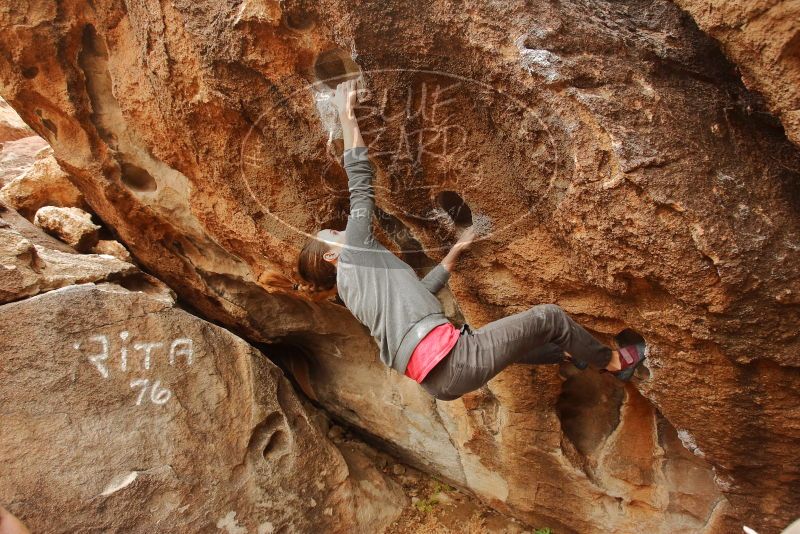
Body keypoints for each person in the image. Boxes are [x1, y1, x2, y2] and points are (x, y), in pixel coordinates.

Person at [263, 78, 646, 401]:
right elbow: (360, 183)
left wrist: (453, 255)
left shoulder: (353, 289)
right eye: (333, 234)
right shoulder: (354, 255)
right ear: (331, 255)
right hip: (454, 360)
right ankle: (614, 363)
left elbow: (419, 296)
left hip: (441, 376)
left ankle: (568, 353)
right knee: (549, 317)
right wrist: (346, 112)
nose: (341, 228)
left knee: (514, 341)